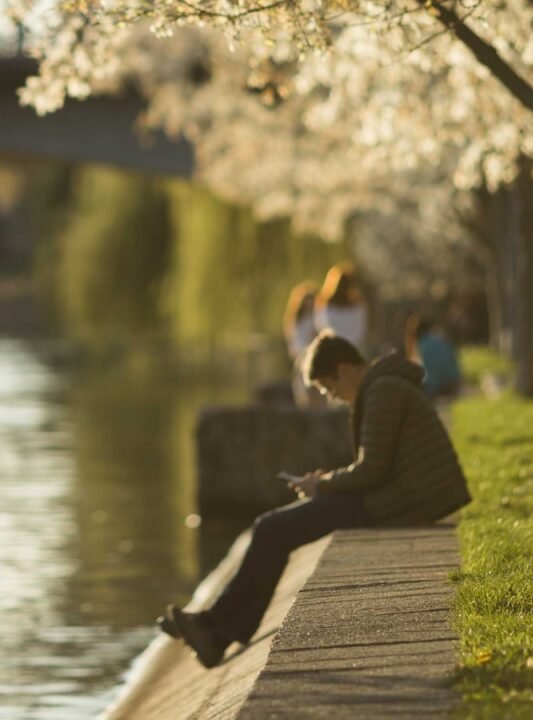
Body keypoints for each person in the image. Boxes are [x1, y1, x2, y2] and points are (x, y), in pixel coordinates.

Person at [157, 331, 471, 669]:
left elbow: (373, 471)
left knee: (273, 528)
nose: (333, 397)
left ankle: (215, 632)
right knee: (273, 528)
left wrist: (323, 485)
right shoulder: (383, 389)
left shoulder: (382, 392)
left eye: (329, 387)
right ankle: (215, 631)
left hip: (405, 501)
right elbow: (375, 468)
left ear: (345, 369)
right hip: (401, 496)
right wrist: (327, 482)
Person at [283, 282, 325, 408]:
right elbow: (295, 342)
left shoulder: (317, 319)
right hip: (303, 358)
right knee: (305, 391)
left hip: (315, 358)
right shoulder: (297, 321)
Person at [406, 314, 463, 399]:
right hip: (454, 383)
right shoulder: (440, 339)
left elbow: (432, 374)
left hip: (441, 387)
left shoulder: (423, 345)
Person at [315, 263, 368, 351]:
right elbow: (361, 329)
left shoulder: (325, 306)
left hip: (334, 349)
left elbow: (323, 327)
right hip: (354, 347)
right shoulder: (357, 305)